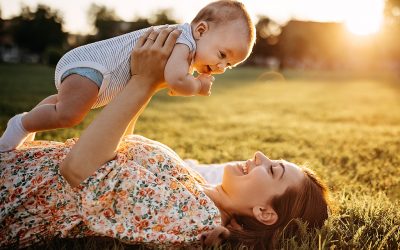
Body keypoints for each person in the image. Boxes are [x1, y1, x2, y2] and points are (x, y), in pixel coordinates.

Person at [0, 28, 329, 249]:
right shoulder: (197, 186)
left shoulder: (192, 215)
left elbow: (79, 171)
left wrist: (144, 81)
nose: (260, 155)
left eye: (273, 170)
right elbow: (120, 149)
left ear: (264, 213)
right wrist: (149, 82)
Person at [0, 0, 256, 152]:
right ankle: (21, 124)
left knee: (63, 104)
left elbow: (172, 84)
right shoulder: (183, 41)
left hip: (94, 72)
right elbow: (177, 81)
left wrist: (189, 80)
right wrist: (198, 86)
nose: (221, 66)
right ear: (201, 30)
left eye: (229, 65)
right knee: (70, 114)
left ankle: (33, 122)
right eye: (222, 54)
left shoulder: (186, 49)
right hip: (95, 67)